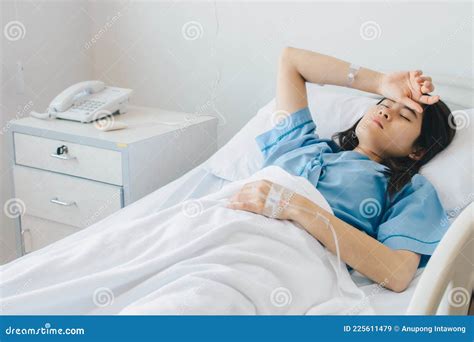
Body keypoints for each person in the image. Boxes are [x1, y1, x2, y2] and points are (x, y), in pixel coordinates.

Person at [227, 47, 456, 292]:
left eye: (405, 116)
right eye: (385, 102)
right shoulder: (299, 144)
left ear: (418, 151)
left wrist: (293, 206)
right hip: (223, 228)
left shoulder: (406, 190)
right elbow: (291, 61)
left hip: (276, 267)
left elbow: (397, 273)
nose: (386, 111)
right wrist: (380, 82)